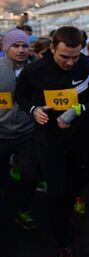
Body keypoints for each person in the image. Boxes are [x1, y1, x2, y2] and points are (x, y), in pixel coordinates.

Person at [15, 26, 89, 257]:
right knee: (57, 193)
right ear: (51, 49)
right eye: (64, 57)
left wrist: (78, 110)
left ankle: (67, 204)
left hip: (82, 138)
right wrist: (33, 111)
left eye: (75, 56)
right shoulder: (34, 70)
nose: (70, 62)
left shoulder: (88, 67)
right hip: (50, 140)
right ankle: (64, 244)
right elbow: (21, 95)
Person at [0, 29, 40, 230]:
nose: (21, 50)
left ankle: (22, 209)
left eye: (25, 46)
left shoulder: (35, 70)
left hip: (26, 133)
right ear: (5, 47)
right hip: (1, 134)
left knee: (30, 175)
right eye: (16, 45)